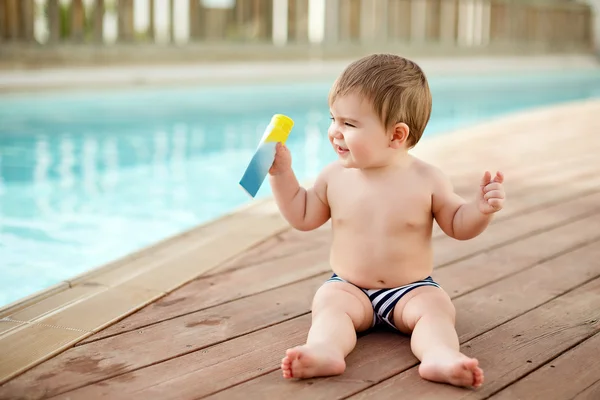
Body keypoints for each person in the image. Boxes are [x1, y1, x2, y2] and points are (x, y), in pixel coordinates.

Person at [268, 53, 505, 389]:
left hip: (410, 290)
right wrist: (282, 175)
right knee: (329, 305)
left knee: (436, 309)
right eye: (333, 119)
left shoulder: (428, 179)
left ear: (396, 135)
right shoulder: (333, 177)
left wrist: (480, 209)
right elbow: (303, 215)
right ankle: (325, 349)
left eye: (349, 124)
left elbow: (457, 224)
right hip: (349, 286)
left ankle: (439, 355)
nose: (335, 132)